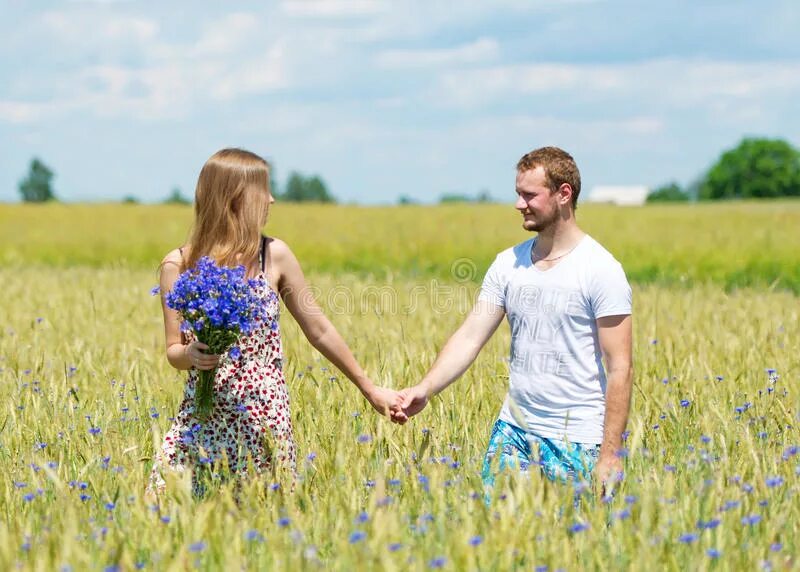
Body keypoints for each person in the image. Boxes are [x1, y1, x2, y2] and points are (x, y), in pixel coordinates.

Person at [149, 148, 401, 495]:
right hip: (201, 423)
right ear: (235, 197)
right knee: (170, 518)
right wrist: (191, 355)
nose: (272, 199)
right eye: (262, 190)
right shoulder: (177, 265)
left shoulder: (274, 255)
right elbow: (173, 350)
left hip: (263, 423)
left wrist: (370, 389)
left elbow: (320, 330)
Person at [396, 146, 633, 496]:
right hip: (514, 431)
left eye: (529, 195)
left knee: (575, 545)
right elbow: (470, 337)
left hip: (579, 439)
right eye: (517, 194)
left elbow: (620, 367)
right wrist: (425, 388)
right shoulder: (508, 264)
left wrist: (611, 453)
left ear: (563, 194)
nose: (519, 204)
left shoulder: (601, 270)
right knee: (498, 539)